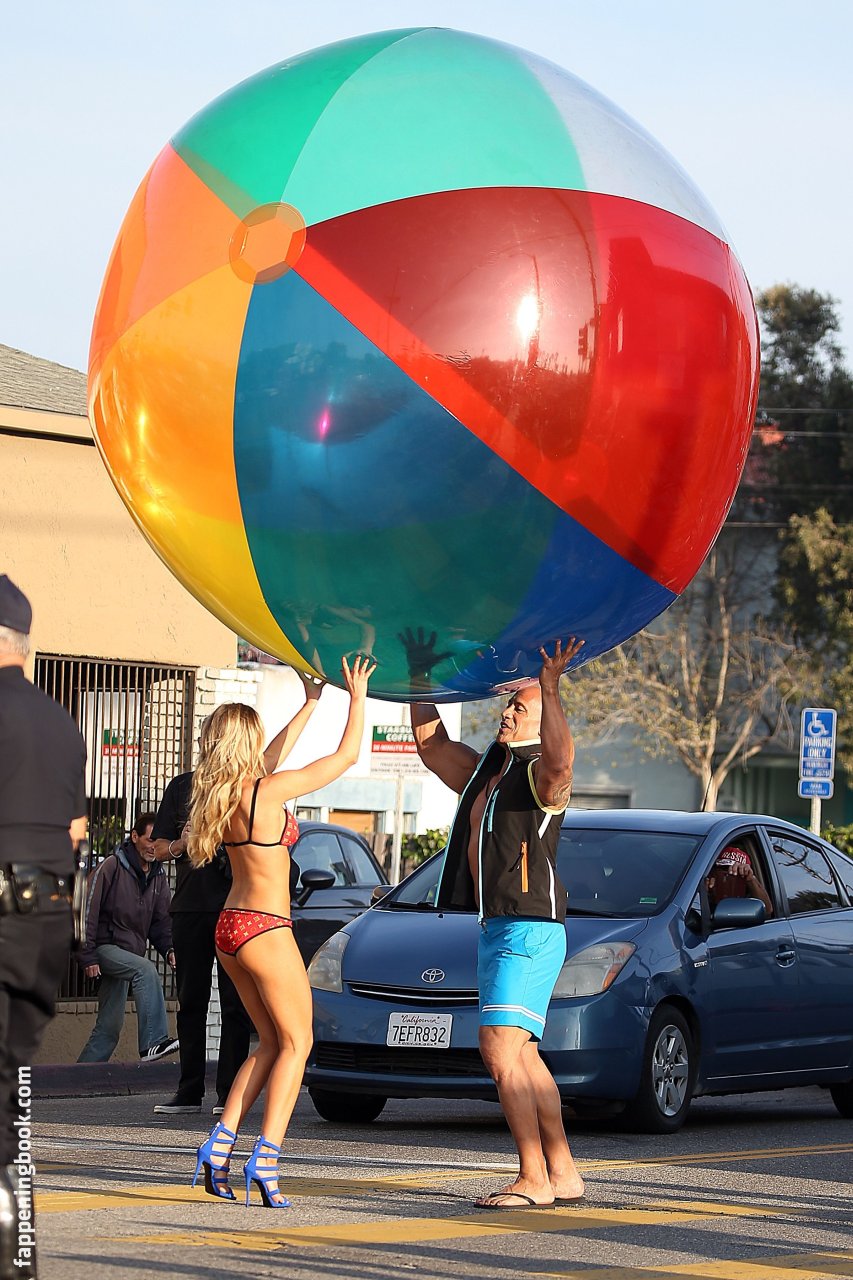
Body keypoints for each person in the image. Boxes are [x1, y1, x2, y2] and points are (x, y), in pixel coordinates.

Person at [405, 630, 586, 1210]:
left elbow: (562, 762)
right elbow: (433, 747)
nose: (507, 713)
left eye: (519, 709)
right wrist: (418, 676)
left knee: (499, 1050)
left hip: (529, 928)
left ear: (541, 721)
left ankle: (532, 1178)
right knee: (524, 1056)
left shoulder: (540, 774)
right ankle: (562, 1173)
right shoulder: (493, 768)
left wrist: (550, 690)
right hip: (499, 926)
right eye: (508, 705)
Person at [189, 655, 374, 1209]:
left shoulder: (223, 796)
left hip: (230, 928)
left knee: (270, 1043)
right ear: (247, 742)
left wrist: (311, 701)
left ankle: (219, 1145)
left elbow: (275, 756)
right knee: (298, 1042)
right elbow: (344, 757)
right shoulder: (265, 793)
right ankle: (266, 1158)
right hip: (267, 928)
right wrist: (356, 697)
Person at [151, 671, 325, 1116]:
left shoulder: (238, 787)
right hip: (210, 909)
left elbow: (278, 753)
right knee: (195, 1003)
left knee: (240, 1011)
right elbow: (157, 847)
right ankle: (193, 1093)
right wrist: (182, 844)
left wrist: (309, 702)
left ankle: (227, 1100)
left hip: (233, 911)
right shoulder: (195, 788)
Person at [0, 575, 87, 1280]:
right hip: (47, 916)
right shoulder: (61, 722)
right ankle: (20, 1251)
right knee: (14, 1083)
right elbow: (77, 830)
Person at [76, 812, 178, 1063]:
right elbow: (86, 909)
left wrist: (169, 950)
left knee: (109, 1028)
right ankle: (153, 1042)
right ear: (134, 837)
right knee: (146, 970)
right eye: (150, 839)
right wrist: (87, 956)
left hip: (127, 956)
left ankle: (79, 1077)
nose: (154, 847)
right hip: (103, 947)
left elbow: (161, 923)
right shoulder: (112, 866)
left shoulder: (157, 876)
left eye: (158, 841)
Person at [706, 845, 773, 917]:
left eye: (737, 873)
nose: (728, 876)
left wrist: (751, 880)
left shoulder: (750, 901)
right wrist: (704, 893)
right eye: (722, 870)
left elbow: (767, 911)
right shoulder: (705, 890)